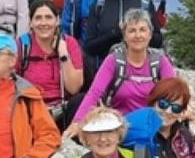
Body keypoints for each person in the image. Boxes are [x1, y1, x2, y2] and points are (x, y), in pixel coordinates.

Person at [67, 8, 175, 136]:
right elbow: (95, 92)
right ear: (124, 36)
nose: (138, 35)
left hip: (153, 128)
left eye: (142, 30)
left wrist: (185, 109)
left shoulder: (160, 61)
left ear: (150, 34)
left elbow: (175, 91)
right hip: (119, 128)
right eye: (132, 30)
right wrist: (77, 122)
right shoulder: (114, 60)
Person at [82, 0, 165, 81]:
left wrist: (138, 33)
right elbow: (89, 47)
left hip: (142, 75)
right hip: (107, 75)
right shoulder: (99, 5)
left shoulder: (144, 3)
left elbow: (158, 41)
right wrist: (114, 33)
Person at [16, 0, 83, 127]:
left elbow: (74, 88)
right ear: (31, 23)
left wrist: (63, 54)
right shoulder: (22, 45)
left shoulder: (70, 43)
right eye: (38, 18)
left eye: (48, 17)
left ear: (57, 21)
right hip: (31, 109)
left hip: (62, 110)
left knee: (81, 100)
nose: (43, 23)